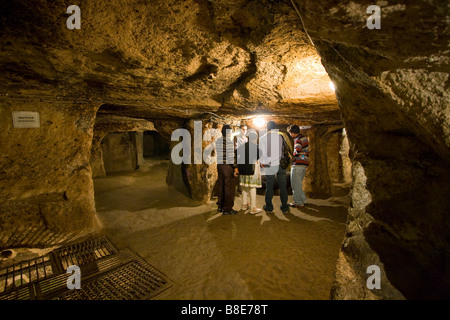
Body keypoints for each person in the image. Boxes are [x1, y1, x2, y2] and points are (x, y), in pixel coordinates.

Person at [259, 121, 290, 214]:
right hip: (281, 164)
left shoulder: (262, 138)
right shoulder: (281, 137)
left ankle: (269, 207)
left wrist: (262, 163)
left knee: (269, 186)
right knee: (283, 186)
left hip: (270, 165)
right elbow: (285, 149)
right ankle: (284, 207)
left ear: (266, 128)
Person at [237, 130, 262, 214]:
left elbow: (236, 153)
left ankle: (244, 205)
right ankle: (253, 208)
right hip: (252, 171)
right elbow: (259, 155)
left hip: (243, 170)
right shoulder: (255, 147)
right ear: (255, 139)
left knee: (244, 188)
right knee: (252, 188)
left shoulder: (243, 146)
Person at [216, 124, 239, 215]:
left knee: (221, 186)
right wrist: (235, 167)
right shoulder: (228, 142)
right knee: (229, 188)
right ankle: (228, 209)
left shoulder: (218, 141)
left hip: (220, 166)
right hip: (227, 166)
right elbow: (231, 156)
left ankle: (220, 206)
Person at [288, 124, 309, 209]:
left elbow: (297, 151)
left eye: (290, 133)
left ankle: (298, 203)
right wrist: (303, 155)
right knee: (298, 184)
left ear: (293, 132)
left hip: (298, 165)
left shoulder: (297, 140)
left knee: (295, 184)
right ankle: (303, 200)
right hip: (304, 164)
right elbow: (306, 152)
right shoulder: (304, 138)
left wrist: (292, 155)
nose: (290, 135)